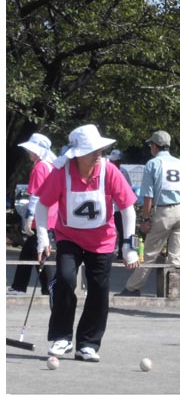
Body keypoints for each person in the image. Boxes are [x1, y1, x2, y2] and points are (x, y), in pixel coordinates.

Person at [35, 124, 139, 362]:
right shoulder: (61, 173)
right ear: (78, 154)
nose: (99, 153)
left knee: (99, 290)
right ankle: (62, 337)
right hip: (69, 237)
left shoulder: (110, 171)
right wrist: (43, 239)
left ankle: (88, 344)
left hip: (102, 240)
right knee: (65, 279)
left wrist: (128, 245)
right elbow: (42, 205)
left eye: (99, 149)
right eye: (93, 150)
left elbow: (127, 208)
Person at [117, 131, 180, 296]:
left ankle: (132, 287)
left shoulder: (153, 164)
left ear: (155, 146)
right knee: (176, 257)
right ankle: (172, 290)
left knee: (150, 254)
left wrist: (145, 218)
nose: (150, 148)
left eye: (151, 145)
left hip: (163, 211)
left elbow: (148, 196)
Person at [7, 133, 57, 295]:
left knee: (38, 253)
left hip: (40, 217)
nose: (28, 153)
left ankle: (30, 287)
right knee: (35, 252)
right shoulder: (50, 166)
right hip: (51, 216)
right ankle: (43, 287)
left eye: (30, 150)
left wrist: (28, 218)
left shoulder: (40, 167)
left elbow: (35, 195)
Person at [108, 149, 133, 260]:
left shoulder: (123, 172)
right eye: (114, 161)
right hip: (107, 207)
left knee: (122, 230)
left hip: (119, 207)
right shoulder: (105, 170)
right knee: (108, 230)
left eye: (118, 161)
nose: (116, 163)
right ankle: (107, 252)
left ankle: (122, 253)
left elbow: (128, 189)